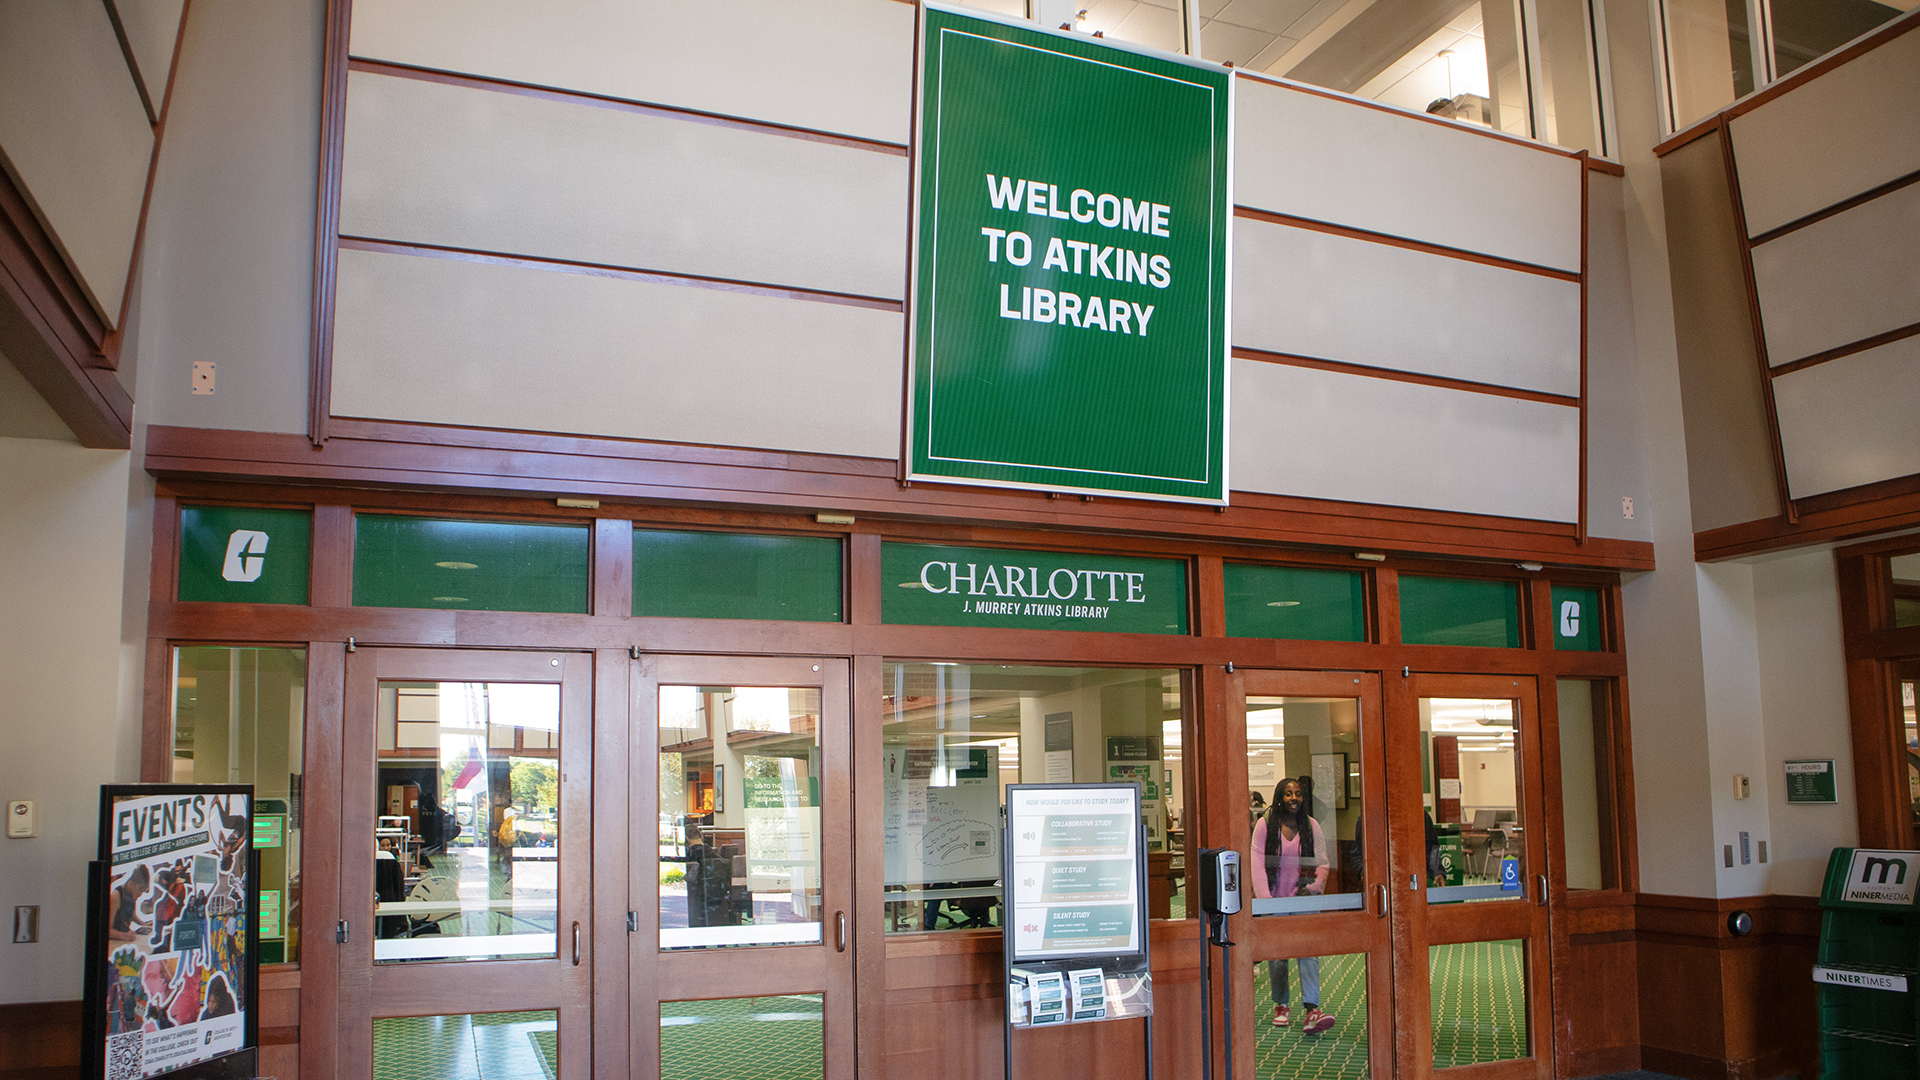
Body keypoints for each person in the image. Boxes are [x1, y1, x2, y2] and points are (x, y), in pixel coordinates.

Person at [1250, 777, 1337, 1035]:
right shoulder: (1265, 825)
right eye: (1288, 794)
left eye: (1298, 794)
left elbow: (1322, 862)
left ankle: (1312, 1009)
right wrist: (1265, 901)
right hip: (1275, 900)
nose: (1294, 798)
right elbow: (1256, 863)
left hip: (1304, 899)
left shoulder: (1312, 826)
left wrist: (1313, 887)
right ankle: (1281, 1004)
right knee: (1278, 957)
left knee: (1308, 953)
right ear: (1279, 796)